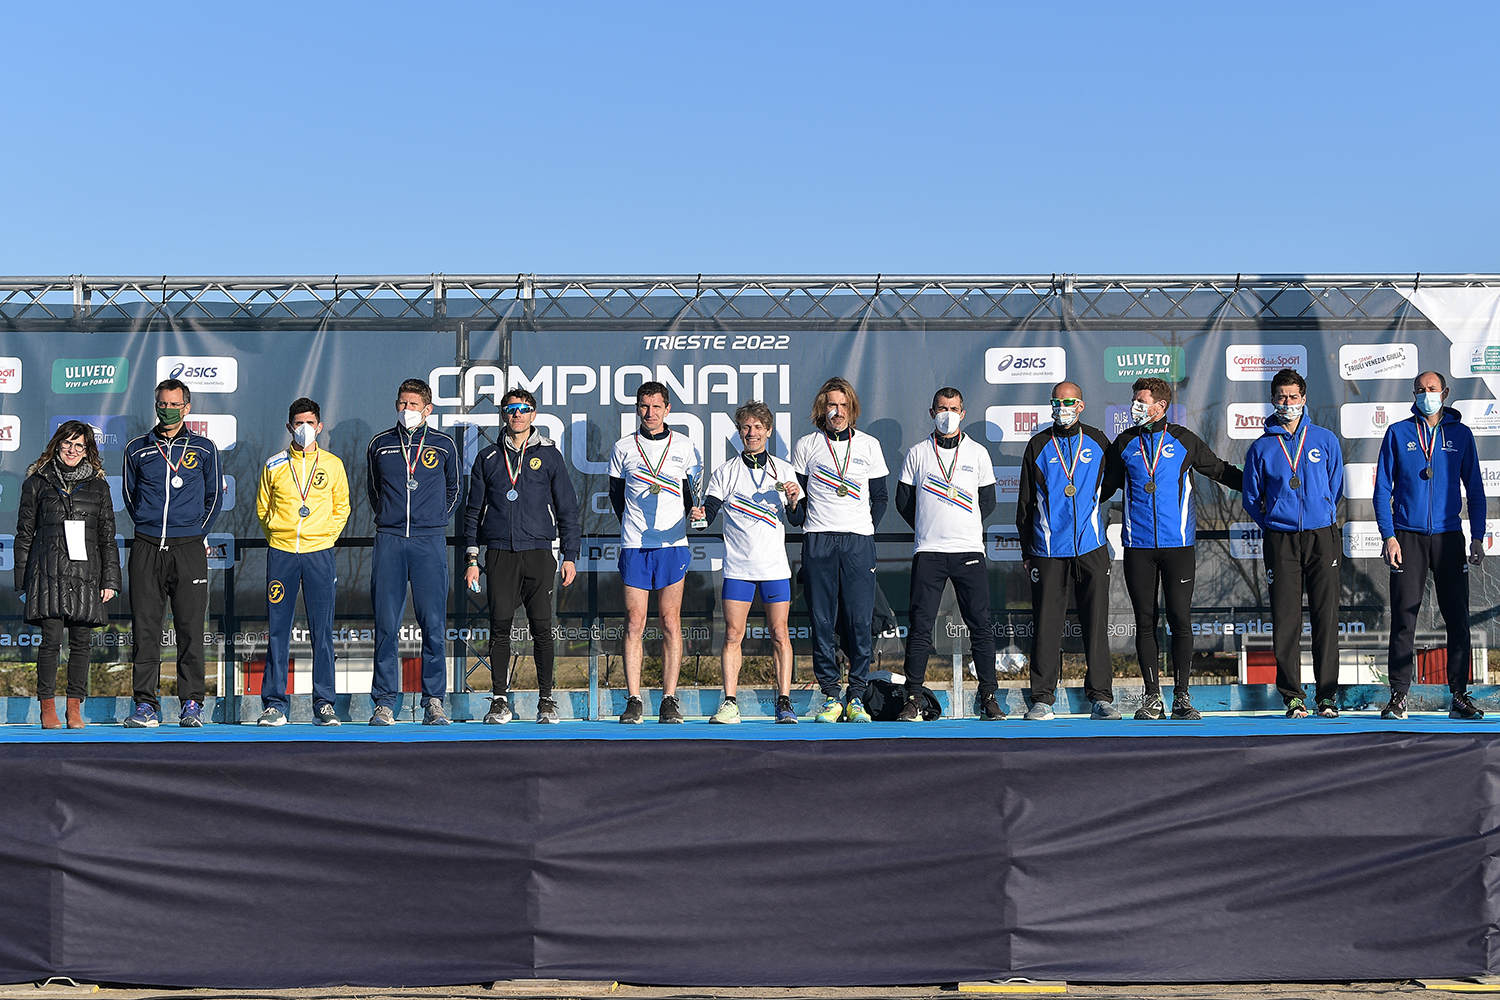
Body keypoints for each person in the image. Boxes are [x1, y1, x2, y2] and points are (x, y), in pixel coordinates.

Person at [1102, 377, 1243, 721]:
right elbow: (1103, 488)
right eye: (1133, 401)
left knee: (1180, 619)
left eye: (1140, 402)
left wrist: (1260, 484)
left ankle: (1182, 697)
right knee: (1145, 622)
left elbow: (1220, 470)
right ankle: (1152, 697)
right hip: (1138, 546)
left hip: (1178, 545)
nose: (1134, 407)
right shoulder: (1124, 443)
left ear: (1160, 405)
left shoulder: (1184, 440)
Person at [1373, 371, 1487, 721]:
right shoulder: (1398, 432)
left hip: (1449, 536)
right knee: (1404, 618)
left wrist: (1478, 536)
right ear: (1414, 394)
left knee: (1457, 618)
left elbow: (1475, 489)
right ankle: (1398, 695)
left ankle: (1459, 696)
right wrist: (1388, 536)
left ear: (1445, 393)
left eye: (1432, 389)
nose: (1427, 395)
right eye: (1420, 390)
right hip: (1407, 536)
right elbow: (1382, 490)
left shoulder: (1461, 434)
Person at [464, 388, 580, 725]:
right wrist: (472, 559)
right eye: (512, 408)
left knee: (542, 627)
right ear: (503, 414)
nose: (517, 414)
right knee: (499, 626)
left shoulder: (550, 455)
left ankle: (546, 700)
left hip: (539, 551)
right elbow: (473, 511)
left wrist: (570, 555)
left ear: (534, 414)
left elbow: (567, 508)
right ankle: (499, 700)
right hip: (500, 551)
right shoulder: (487, 457)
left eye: (524, 408)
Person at [691, 401, 804, 725]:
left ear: (768, 431)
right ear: (739, 432)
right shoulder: (725, 472)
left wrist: (793, 501)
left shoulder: (784, 471)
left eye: (757, 427)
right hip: (738, 569)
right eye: (745, 427)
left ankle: (784, 703)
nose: (751, 433)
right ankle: (730, 703)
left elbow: (797, 519)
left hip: (774, 568)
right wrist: (700, 516)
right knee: (732, 634)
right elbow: (709, 513)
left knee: (780, 633)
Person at [895, 387, 1004, 721]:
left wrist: (962, 525)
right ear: (932, 413)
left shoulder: (978, 453)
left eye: (954, 409)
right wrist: (929, 526)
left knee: (980, 626)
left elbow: (987, 501)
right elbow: (903, 501)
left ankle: (988, 697)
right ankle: (913, 697)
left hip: (968, 550)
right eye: (942, 409)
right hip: (929, 551)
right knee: (920, 627)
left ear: (963, 413)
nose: (948, 414)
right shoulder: (917, 453)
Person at [1242, 368, 1345, 718]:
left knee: (1325, 617)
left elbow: (1335, 488)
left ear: (1304, 399)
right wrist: (1274, 523)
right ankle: (1292, 696)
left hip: (1321, 536)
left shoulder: (1325, 439)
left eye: (1293, 397)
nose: (1288, 403)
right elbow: (1251, 497)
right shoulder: (1261, 447)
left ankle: (1327, 696)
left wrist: (1320, 513)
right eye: (1281, 397)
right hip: (1281, 539)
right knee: (1286, 620)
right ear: (1273, 400)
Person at [122, 378, 222, 728]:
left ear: (187, 408)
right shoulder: (137, 448)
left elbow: (214, 498)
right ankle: (145, 705)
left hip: (188, 548)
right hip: (146, 547)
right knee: (145, 630)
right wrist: (149, 528)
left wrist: (194, 533)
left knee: (190, 629)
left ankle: (191, 702)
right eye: (162, 404)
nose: (167, 410)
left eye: (174, 404)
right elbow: (131, 497)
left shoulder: (205, 448)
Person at [1016, 381, 1118, 720]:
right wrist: (1027, 550)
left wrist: (1088, 504)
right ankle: (1042, 699)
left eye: (1068, 402)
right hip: (1048, 548)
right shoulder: (1038, 444)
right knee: (1046, 626)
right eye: (1056, 402)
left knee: (1096, 624)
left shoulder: (1098, 441)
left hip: (1091, 546)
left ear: (1081, 405)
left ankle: (1101, 698)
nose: (1062, 408)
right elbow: (1025, 502)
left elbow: (1111, 483)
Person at [791, 376, 890, 723]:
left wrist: (865, 526)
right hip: (818, 538)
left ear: (852, 409)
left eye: (844, 405)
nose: (838, 411)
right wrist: (792, 505)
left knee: (860, 620)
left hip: (858, 541)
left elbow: (880, 497)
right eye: (832, 405)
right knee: (822, 621)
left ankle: (857, 695)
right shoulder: (807, 445)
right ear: (823, 408)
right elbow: (798, 504)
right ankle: (832, 695)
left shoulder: (869, 445)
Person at [13, 422, 122, 730]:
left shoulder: (99, 487)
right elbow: (24, 534)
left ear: (87, 451)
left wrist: (110, 580)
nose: (72, 450)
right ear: (57, 445)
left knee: (81, 644)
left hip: (86, 575)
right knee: (50, 642)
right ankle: (47, 708)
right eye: (67, 444)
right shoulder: (36, 482)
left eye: (79, 446)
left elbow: (107, 537)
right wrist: (23, 580)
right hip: (47, 573)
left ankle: (74, 709)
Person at [608, 381, 704, 723]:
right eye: (644, 406)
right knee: (635, 621)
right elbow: (617, 497)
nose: (650, 413)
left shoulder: (685, 445)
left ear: (667, 409)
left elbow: (693, 495)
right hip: (635, 544)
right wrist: (634, 528)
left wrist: (689, 517)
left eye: (656, 406)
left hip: (672, 545)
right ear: (637, 408)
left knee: (670, 621)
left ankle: (669, 699)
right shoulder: (623, 447)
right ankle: (634, 699)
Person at [367, 378, 460, 725]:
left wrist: (433, 520)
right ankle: (384, 702)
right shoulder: (380, 444)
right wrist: (390, 518)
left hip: (428, 541)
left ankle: (433, 701)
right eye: (402, 403)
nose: (407, 409)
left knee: (433, 625)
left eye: (414, 404)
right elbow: (374, 491)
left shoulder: (444, 445)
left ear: (427, 409)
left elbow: (454, 490)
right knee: (386, 625)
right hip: (390, 540)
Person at [254, 398, 351, 727]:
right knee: (277, 631)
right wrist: (279, 536)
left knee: (322, 632)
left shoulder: (333, 465)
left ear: (319, 426)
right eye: (299, 423)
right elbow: (263, 509)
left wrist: (324, 537)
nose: (304, 428)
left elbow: (342, 508)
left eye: (310, 423)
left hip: (319, 554)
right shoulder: (273, 465)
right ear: (289, 427)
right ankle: (274, 705)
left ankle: (324, 704)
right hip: (281, 554)